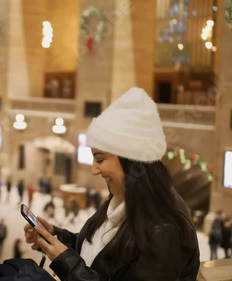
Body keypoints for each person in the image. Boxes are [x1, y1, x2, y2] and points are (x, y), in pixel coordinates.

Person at [23, 87, 200, 280]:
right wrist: (56, 237)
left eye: (99, 159)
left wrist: (65, 261)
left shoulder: (164, 230)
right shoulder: (121, 197)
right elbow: (102, 254)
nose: (94, 170)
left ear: (130, 159)